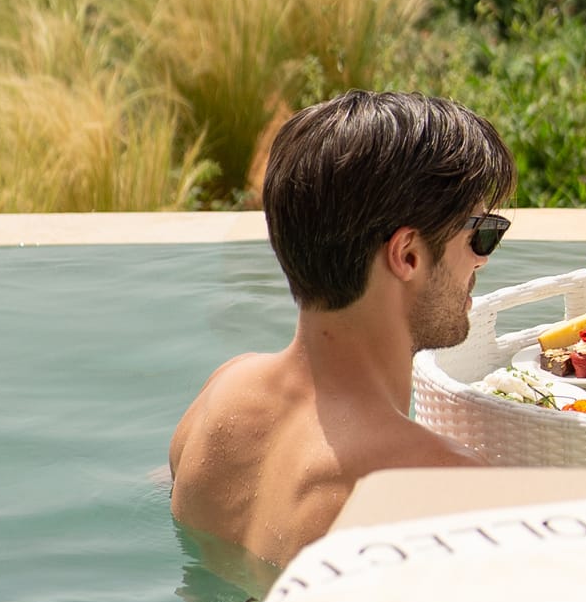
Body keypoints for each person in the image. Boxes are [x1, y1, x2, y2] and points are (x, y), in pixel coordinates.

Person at [170, 91, 514, 571]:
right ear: (408, 255)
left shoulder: (215, 403)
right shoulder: (441, 486)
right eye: (481, 235)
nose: (482, 260)